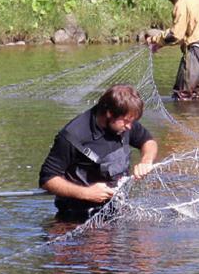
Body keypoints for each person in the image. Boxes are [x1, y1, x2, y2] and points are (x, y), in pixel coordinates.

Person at [39, 84, 157, 219]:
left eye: (132, 122)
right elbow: (47, 179)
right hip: (78, 214)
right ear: (109, 113)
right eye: (126, 121)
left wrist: (146, 161)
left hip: (116, 208)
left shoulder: (125, 121)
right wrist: (87, 193)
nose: (130, 127)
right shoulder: (73, 135)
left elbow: (148, 141)